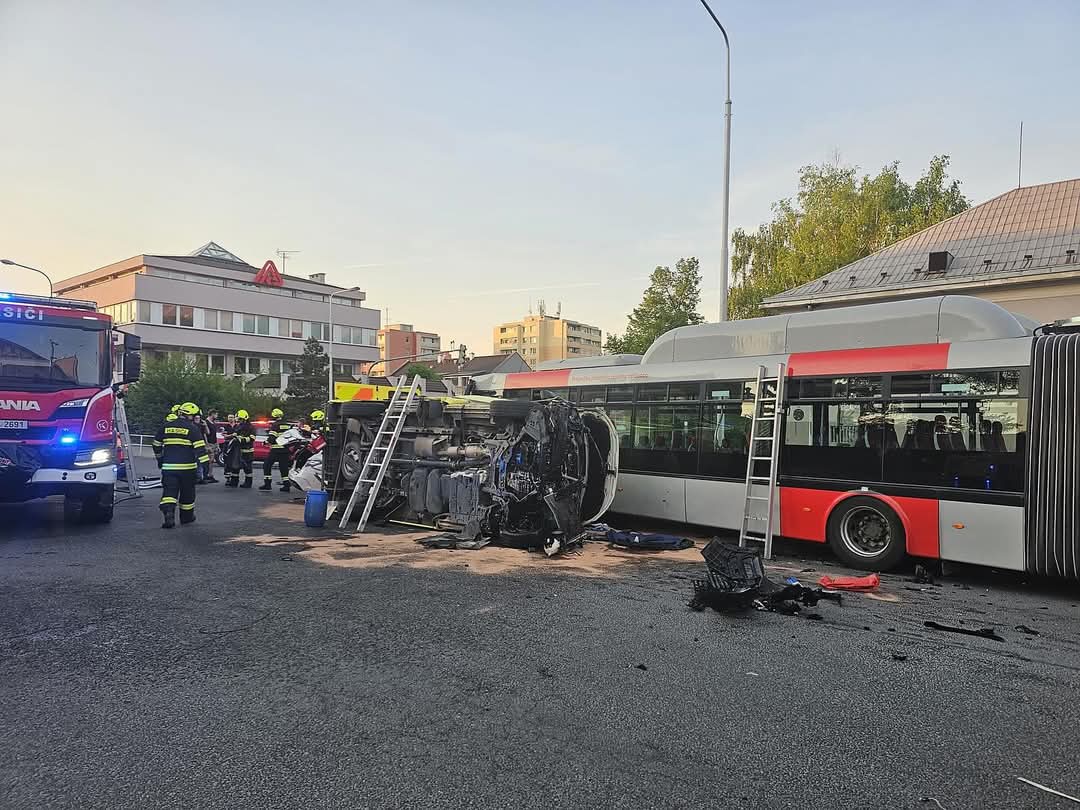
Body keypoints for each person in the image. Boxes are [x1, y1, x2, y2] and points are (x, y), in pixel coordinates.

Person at [153, 402, 209, 529]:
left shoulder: (166, 426)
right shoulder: (193, 429)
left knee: (169, 492)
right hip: (187, 469)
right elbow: (200, 450)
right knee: (187, 493)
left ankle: (168, 513)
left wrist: (160, 459)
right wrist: (205, 469)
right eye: (194, 416)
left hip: (168, 468)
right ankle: (186, 517)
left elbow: (156, 445)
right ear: (190, 416)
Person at [260, 407, 292, 492]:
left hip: (276, 450)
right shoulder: (287, 425)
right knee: (284, 468)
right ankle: (286, 485)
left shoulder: (275, 425)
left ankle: (267, 484)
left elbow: (272, 438)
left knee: (267, 465)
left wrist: (265, 442)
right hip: (285, 450)